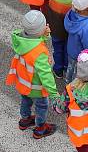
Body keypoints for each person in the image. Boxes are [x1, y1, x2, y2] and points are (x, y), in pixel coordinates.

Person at [6, 10, 59, 139]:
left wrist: (44, 36)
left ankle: (25, 120)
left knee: (25, 101)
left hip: (23, 83)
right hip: (36, 88)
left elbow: (35, 40)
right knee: (42, 106)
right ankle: (40, 128)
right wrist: (54, 93)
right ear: (40, 30)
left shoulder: (20, 39)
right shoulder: (39, 52)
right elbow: (45, 75)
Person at [47, 0, 77, 79]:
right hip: (68, 32)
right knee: (66, 50)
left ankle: (58, 70)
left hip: (55, 31)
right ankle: (66, 67)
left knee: (58, 50)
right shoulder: (75, 0)